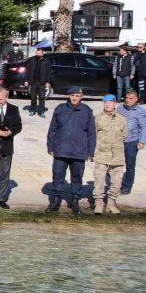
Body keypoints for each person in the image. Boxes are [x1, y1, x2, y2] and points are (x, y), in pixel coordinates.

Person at [46, 86, 96, 214]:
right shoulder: (60, 109)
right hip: (61, 150)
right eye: (72, 95)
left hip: (79, 152)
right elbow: (52, 130)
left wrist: (90, 152)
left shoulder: (86, 111)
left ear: (81, 97)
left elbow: (91, 133)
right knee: (57, 175)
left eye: (77, 96)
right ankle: (55, 201)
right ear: (69, 96)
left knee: (77, 177)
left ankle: (74, 201)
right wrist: (50, 146)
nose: (74, 98)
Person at [93, 94, 128, 215]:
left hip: (117, 154)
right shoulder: (97, 118)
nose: (107, 104)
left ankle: (111, 204)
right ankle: (98, 203)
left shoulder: (122, 119)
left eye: (110, 102)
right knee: (99, 180)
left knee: (117, 181)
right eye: (105, 102)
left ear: (115, 104)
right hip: (101, 154)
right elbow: (93, 135)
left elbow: (124, 135)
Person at [116, 89, 146, 195]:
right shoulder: (120, 108)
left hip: (132, 142)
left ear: (136, 99)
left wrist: (142, 141)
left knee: (130, 165)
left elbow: (143, 127)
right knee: (115, 164)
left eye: (130, 98)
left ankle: (126, 187)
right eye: (126, 98)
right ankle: (115, 184)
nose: (127, 100)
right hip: (119, 141)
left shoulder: (140, 111)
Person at [24, 47, 52, 117]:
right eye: (37, 53)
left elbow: (49, 72)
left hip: (42, 82)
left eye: (39, 53)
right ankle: (33, 110)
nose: (38, 55)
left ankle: (41, 111)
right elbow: (28, 71)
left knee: (42, 97)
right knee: (33, 97)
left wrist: (48, 81)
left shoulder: (46, 61)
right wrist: (26, 80)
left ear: (42, 53)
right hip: (33, 82)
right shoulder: (32, 60)